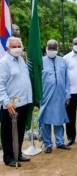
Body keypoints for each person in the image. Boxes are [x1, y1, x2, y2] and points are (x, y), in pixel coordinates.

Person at [0, 37, 32, 167]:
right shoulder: (4, 62)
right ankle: (9, 157)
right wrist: (6, 102)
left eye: (19, 45)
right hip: (11, 105)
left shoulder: (21, 60)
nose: (17, 48)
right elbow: (0, 84)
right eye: (14, 46)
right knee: (8, 132)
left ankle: (17, 153)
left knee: (19, 130)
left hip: (23, 102)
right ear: (8, 48)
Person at [39, 40, 71, 153]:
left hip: (60, 95)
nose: (52, 50)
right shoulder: (41, 61)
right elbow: (37, 80)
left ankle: (60, 142)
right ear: (46, 48)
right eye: (50, 48)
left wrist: (67, 94)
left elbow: (67, 79)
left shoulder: (62, 61)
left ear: (57, 49)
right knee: (46, 121)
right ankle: (47, 144)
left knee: (59, 119)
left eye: (54, 48)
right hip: (46, 96)